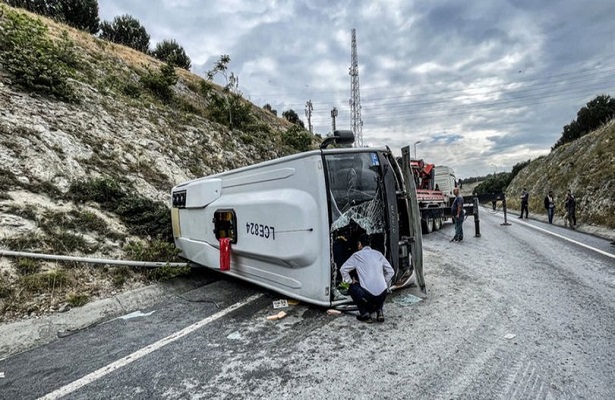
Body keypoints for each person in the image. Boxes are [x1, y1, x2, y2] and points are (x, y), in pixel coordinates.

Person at [340, 234, 394, 323]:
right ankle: (379, 311)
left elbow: (343, 269)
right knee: (379, 287)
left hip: (368, 296)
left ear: (360, 244)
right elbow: (391, 272)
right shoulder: (378, 254)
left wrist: (350, 281)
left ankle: (365, 314)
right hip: (383, 295)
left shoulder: (357, 255)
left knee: (352, 287)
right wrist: (384, 281)